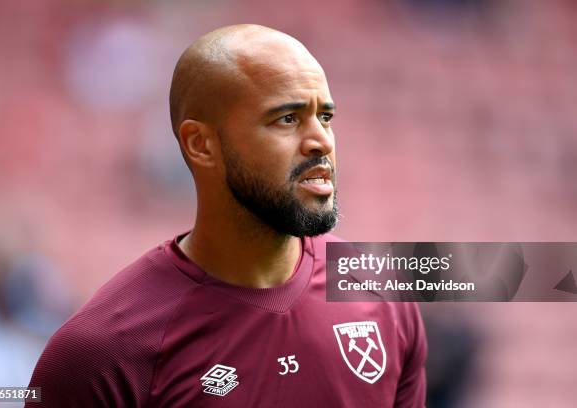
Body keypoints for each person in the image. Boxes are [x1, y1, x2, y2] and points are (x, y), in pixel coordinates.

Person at [27, 24, 427, 407]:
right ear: (201, 145)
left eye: (325, 117)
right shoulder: (100, 354)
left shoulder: (383, 294)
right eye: (287, 118)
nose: (321, 141)